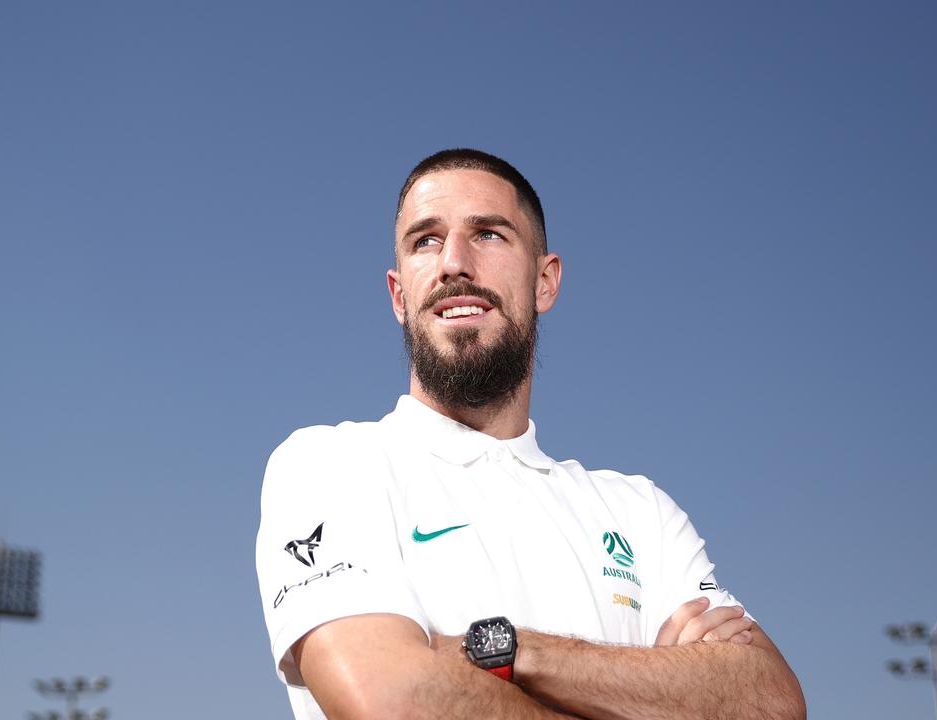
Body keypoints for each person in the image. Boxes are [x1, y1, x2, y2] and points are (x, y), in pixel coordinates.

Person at [256, 149, 805, 720]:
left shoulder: (642, 514)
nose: (453, 263)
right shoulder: (329, 465)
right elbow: (390, 700)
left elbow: (772, 700)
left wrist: (506, 652)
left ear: (545, 281)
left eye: (489, 234)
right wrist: (656, 687)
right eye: (425, 240)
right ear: (399, 295)